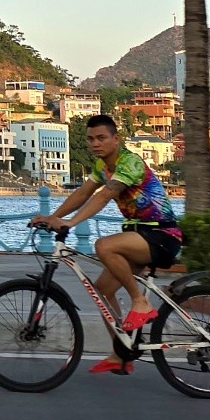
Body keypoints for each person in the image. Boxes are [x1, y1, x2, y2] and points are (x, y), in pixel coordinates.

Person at [28, 113, 182, 375]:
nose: (95, 144)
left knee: (104, 246)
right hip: (139, 235)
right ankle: (121, 354)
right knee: (102, 291)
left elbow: (105, 195)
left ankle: (140, 302)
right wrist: (54, 217)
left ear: (116, 139)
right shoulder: (102, 166)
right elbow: (83, 193)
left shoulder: (130, 162)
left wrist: (71, 223)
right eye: (90, 139)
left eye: (101, 138)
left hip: (162, 235)